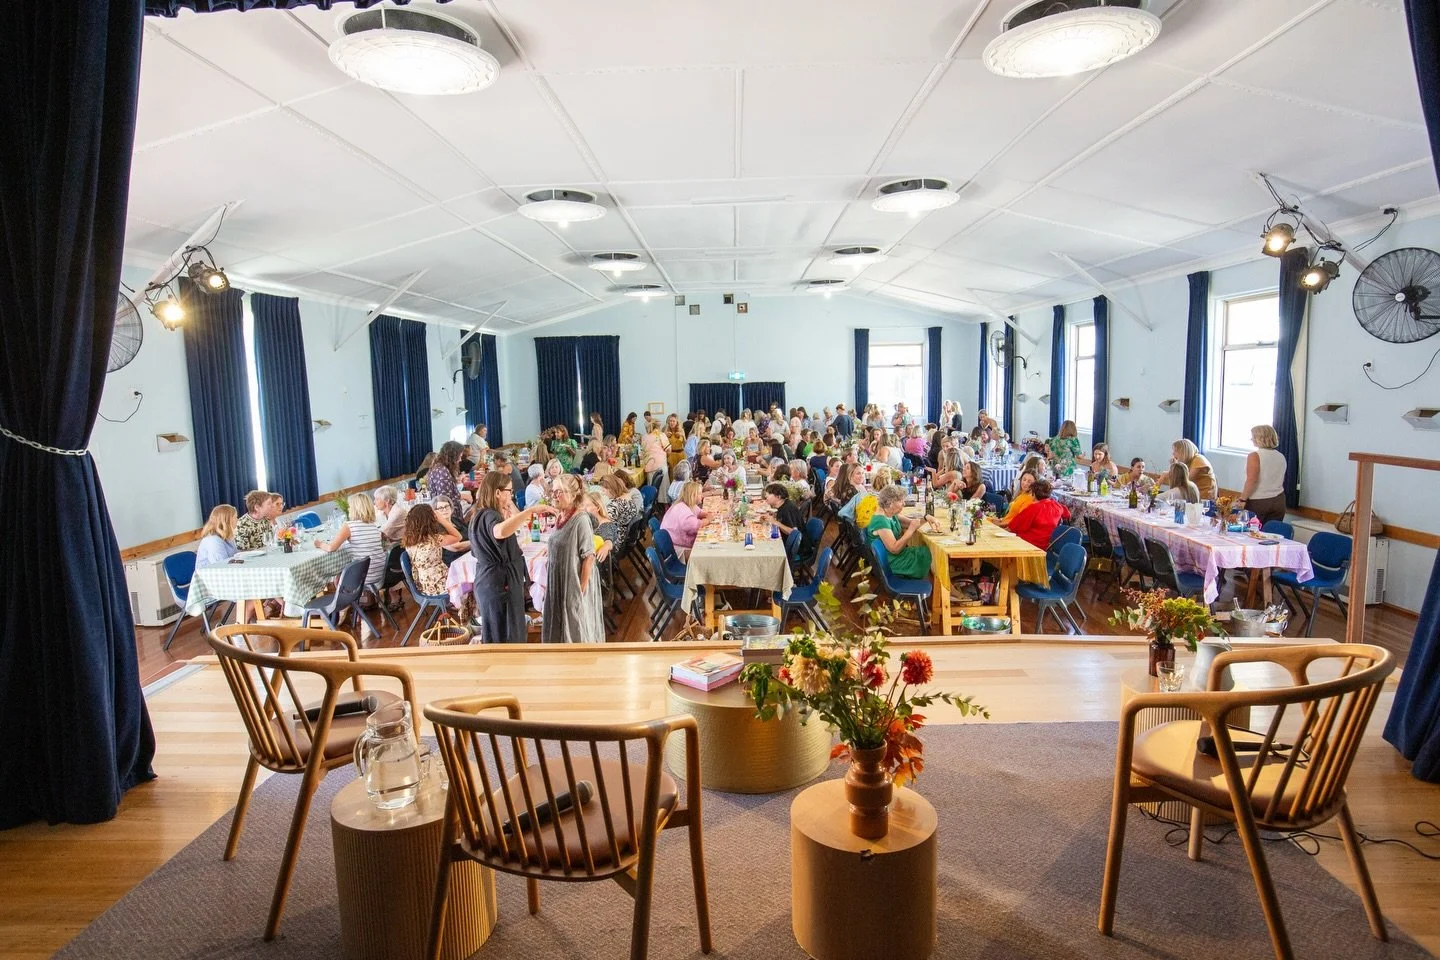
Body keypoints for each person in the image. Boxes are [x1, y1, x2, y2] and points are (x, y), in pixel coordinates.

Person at [469, 471, 553, 644]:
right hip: (499, 583)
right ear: (498, 493)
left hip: (491, 581)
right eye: (509, 491)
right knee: (506, 633)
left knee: (499, 630)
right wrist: (530, 511)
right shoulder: (489, 515)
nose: (511, 495)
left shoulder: (481, 514)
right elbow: (499, 532)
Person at [543, 475, 604, 644]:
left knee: (576, 628)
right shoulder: (561, 516)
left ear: (572, 495)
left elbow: (589, 557)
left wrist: (580, 590)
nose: (554, 496)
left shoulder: (581, 520)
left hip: (574, 582)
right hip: (559, 580)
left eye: (559, 492)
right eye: (553, 492)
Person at [316, 492, 387, 590]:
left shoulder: (350, 526)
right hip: (381, 572)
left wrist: (319, 544)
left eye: (350, 506)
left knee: (337, 577)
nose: (348, 509)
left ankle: (348, 602)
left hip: (365, 576)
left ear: (354, 509)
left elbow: (331, 548)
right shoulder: (373, 525)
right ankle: (367, 600)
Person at [866, 486, 932, 578]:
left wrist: (926, 518)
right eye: (901, 501)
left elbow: (911, 523)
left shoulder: (890, 514)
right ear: (890, 503)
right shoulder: (880, 521)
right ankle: (942, 588)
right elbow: (895, 549)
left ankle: (945, 587)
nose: (904, 504)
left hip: (897, 555)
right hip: (892, 562)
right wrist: (910, 531)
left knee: (928, 552)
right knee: (929, 554)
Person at [404, 503, 462, 599]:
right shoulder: (434, 539)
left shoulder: (409, 541)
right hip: (439, 583)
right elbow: (458, 537)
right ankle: (466, 609)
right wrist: (442, 520)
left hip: (422, 584)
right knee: (470, 580)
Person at [1238, 424, 1287, 523]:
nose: (1251, 439)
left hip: (1259, 501)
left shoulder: (1254, 456)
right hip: (1279, 501)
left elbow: (1252, 480)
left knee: (1252, 534)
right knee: (1270, 533)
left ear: (1259, 438)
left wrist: (1242, 499)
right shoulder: (1281, 456)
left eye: (1253, 437)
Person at [1007, 479, 1071, 550]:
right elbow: (1067, 515)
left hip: (1028, 545)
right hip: (1047, 546)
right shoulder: (1057, 505)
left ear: (1033, 493)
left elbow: (1012, 527)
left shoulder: (1033, 508)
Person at [660, 481, 706, 560]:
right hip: (675, 550)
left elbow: (700, 513)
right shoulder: (682, 510)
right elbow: (697, 526)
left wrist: (709, 515)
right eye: (700, 493)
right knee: (704, 555)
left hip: (675, 542)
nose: (702, 496)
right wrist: (709, 519)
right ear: (692, 495)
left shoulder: (688, 504)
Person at [427, 441, 468, 523]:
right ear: (452, 456)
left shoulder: (438, 468)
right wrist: (463, 496)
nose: (460, 460)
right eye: (459, 457)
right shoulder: (443, 472)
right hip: (449, 517)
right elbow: (444, 499)